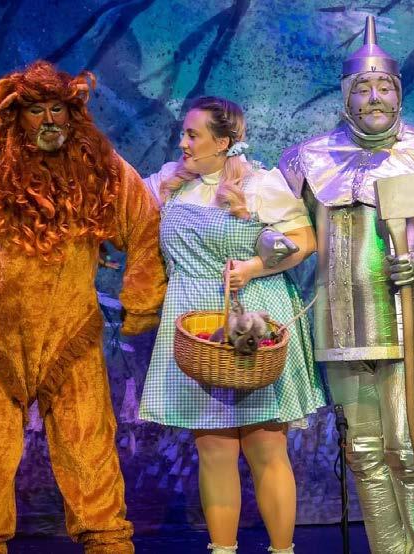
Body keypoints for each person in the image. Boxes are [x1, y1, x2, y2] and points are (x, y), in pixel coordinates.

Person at [278, 16, 414, 554]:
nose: (374, 97)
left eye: (385, 87)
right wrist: (268, 243)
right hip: (339, 325)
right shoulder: (308, 159)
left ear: (399, 93)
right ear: (346, 95)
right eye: (363, 87)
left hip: (408, 320)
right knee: (365, 453)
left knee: (412, 449)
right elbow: (285, 226)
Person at [0, 61, 167, 553]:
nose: (49, 120)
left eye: (58, 109)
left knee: (89, 450)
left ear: (72, 112)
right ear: (15, 115)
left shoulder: (96, 163)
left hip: (72, 334)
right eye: (36, 110)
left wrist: (141, 299)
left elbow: (144, 221)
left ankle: (106, 541)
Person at [138, 96, 326, 554]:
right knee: (214, 449)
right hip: (194, 323)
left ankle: (282, 551)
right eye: (184, 133)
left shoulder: (260, 184)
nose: (183, 143)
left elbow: (305, 240)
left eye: (193, 135)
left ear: (223, 142)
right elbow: (117, 202)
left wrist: (254, 267)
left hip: (251, 317)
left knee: (265, 446)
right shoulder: (171, 183)